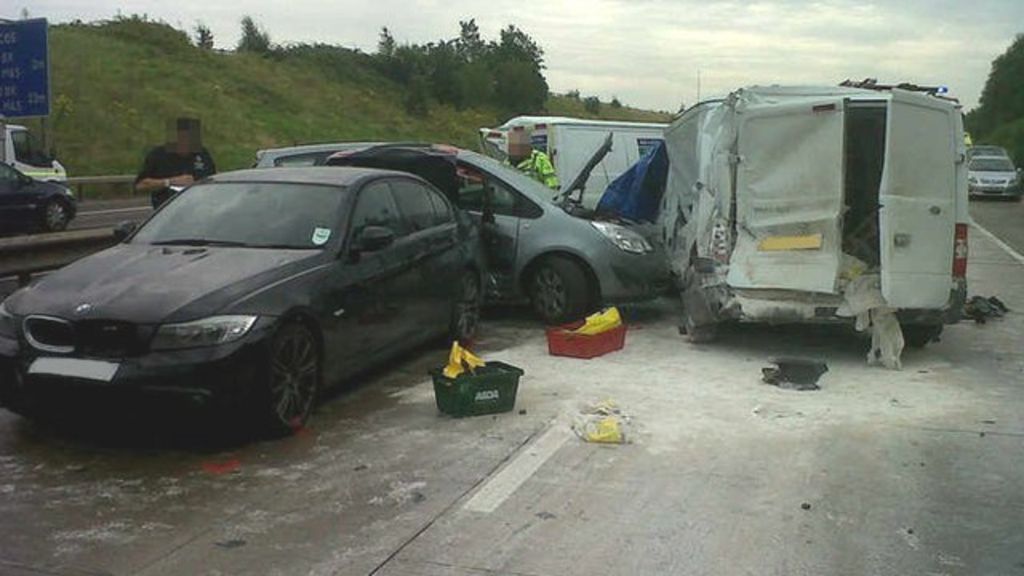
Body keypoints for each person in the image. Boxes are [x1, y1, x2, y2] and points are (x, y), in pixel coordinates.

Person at [134, 118, 217, 208]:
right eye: (183, 138)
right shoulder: (158, 155)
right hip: (168, 211)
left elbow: (213, 180)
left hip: (197, 209)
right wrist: (169, 182)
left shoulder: (202, 154)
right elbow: (140, 185)